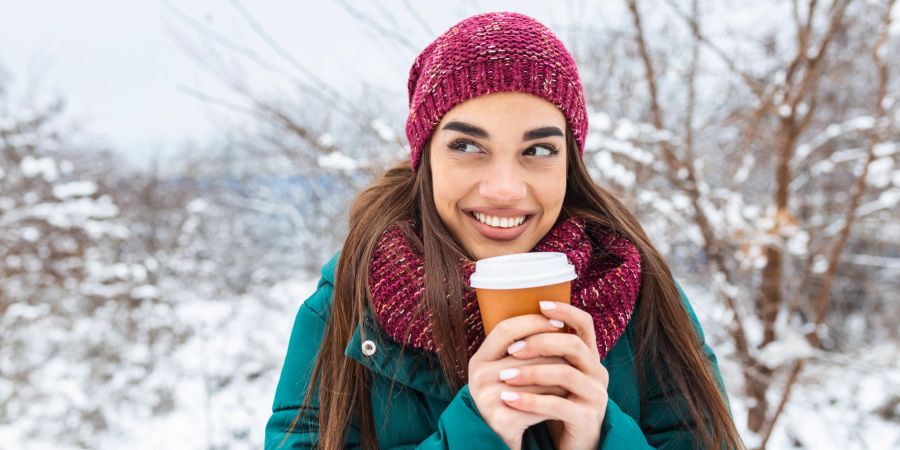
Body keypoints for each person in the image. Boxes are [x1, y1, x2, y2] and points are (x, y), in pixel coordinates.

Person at [265, 11, 744, 450]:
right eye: (468, 146)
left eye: (537, 151)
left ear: (569, 164)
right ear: (425, 158)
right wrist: (474, 435)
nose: (505, 189)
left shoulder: (640, 293)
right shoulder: (349, 305)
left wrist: (598, 439)